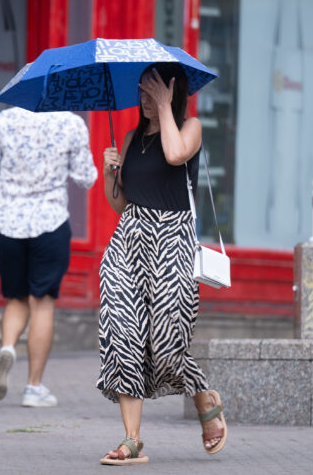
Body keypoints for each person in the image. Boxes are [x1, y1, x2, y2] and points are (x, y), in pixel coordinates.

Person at [97, 63, 227, 464]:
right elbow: (120, 203)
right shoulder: (133, 137)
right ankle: (131, 440)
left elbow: (174, 155)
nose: (146, 99)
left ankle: (203, 392)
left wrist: (166, 108)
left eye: (154, 91)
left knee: (168, 343)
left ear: (174, 92)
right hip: (130, 239)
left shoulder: (191, 129)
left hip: (173, 240)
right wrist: (109, 174)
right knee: (122, 333)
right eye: (143, 91)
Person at [0, 107, 97, 408]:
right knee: (42, 304)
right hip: (49, 222)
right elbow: (85, 177)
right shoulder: (70, 123)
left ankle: (7, 348)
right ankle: (33, 387)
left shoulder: (1, 120)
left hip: (7, 222)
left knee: (16, 298)